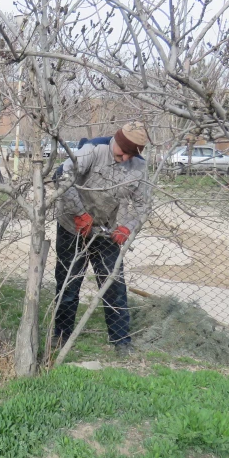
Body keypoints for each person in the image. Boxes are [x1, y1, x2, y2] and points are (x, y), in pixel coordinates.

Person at [52, 122, 150, 356]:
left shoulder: (138, 167)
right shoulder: (92, 151)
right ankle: (61, 335)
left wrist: (127, 227)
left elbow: (143, 205)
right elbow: (63, 177)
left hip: (106, 231)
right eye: (122, 152)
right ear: (115, 141)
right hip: (72, 228)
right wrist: (80, 214)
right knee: (68, 284)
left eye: (130, 155)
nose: (124, 158)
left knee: (114, 285)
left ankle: (121, 341)